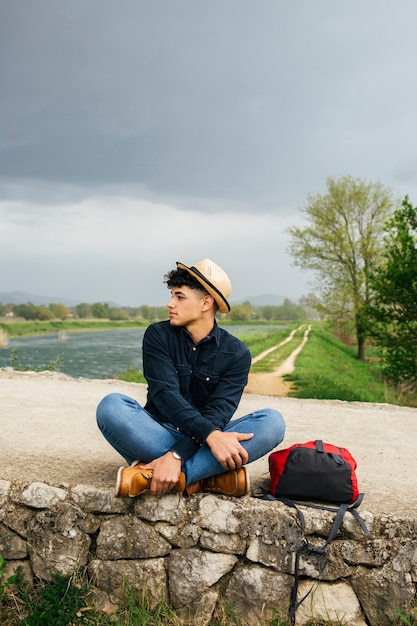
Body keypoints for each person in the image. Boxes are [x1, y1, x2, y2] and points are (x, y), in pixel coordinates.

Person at [96, 258, 285, 498]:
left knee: (272, 422)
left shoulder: (236, 353)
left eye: (180, 297)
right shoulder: (158, 335)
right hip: (159, 433)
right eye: (172, 296)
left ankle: (156, 474)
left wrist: (177, 454)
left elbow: (220, 411)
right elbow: (165, 395)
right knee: (111, 406)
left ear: (206, 303)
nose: (170, 303)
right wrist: (209, 438)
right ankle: (205, 476)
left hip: (208, 439)